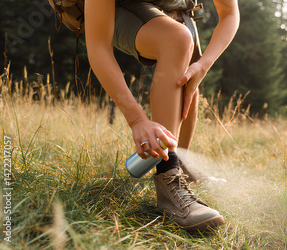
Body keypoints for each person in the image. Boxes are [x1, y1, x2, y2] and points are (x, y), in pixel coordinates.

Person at [84, 0, 239, 231]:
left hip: (168, 8)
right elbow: (98, 46)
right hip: (116, 7)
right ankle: (168, 180)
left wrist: (203, 65)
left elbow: (229, 13)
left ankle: (181, 167)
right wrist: (137, 120)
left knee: (186, 70)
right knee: (177, 38)